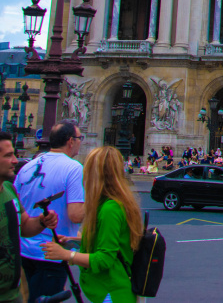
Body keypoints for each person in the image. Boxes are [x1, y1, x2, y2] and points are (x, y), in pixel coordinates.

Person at [41, 146, 144, 303]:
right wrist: (72, 241)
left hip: (112, 292)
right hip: (110, 289)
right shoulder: (112, 204)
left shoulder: (110, 209)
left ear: (96, 175)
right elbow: (108, 243)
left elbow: (105, 259)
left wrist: (67, 255)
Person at [14, 120, 85, 303]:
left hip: (24, 250)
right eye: (79, 138)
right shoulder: (73, 167)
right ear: (70, 141)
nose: (80, 142)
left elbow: (16, 205)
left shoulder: (28, 166)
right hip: (50, 252)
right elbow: (76, 214)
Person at [0, 131, 59, 303]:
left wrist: (42, 221)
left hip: (12, 294)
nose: (15, 161)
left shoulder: (10, 190)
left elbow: (24, 226)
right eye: (8, 156)